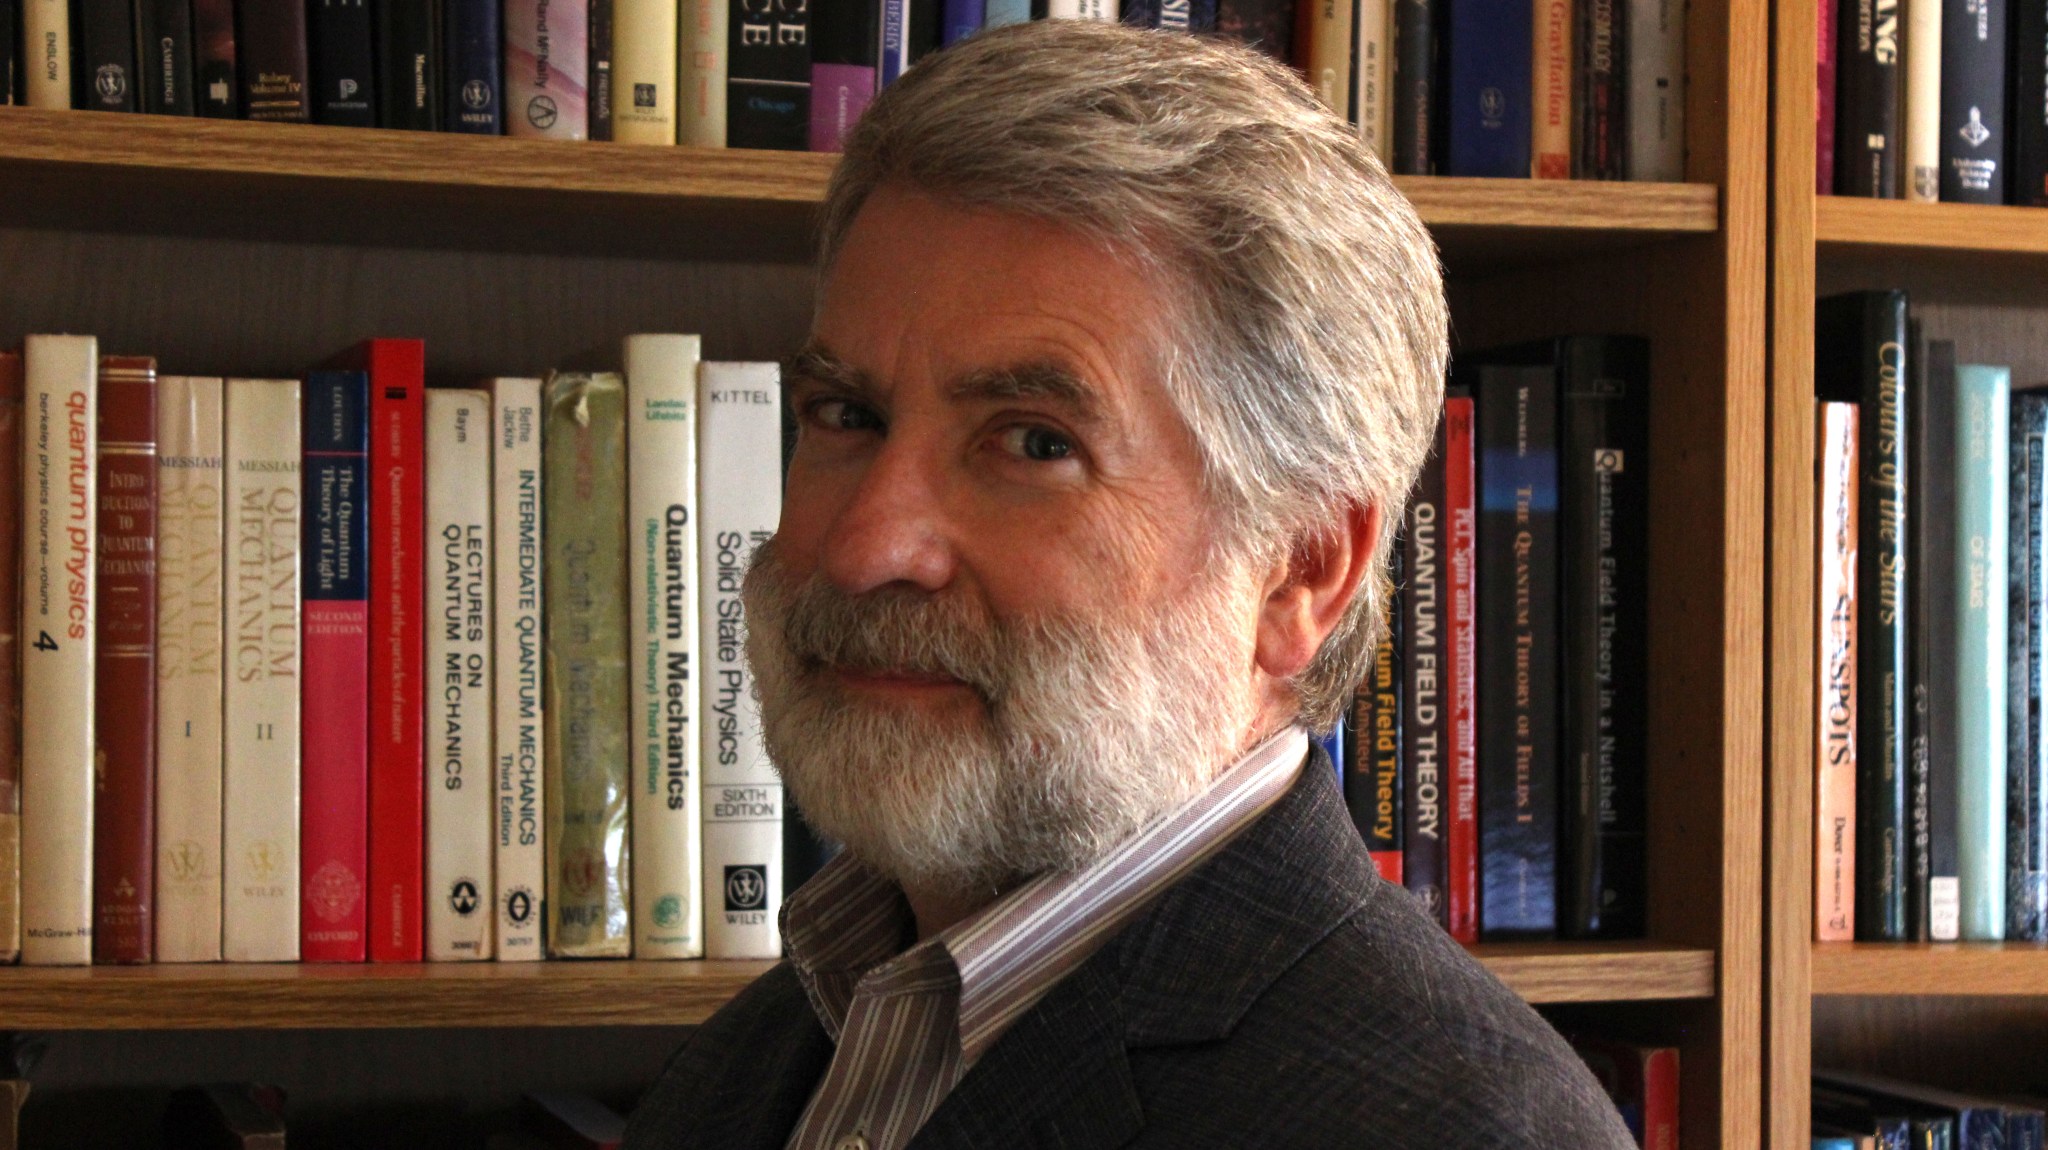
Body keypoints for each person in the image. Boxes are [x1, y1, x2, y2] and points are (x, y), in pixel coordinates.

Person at [624, 19, 1635, 1150]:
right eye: (846, 417)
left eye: (1033, 443)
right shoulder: (756, 1058)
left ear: (1298, 568)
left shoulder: (1462, 1129)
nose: (866, 547)